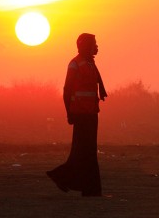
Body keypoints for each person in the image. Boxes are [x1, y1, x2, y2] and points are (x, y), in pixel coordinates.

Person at [47, 33, 107, 196]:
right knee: (84, 151)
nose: (96, 46)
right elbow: (66, 90)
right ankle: (85, 187)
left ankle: (88, 188)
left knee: (86, 151)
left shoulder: (89, 63)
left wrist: (102, 88)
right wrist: (69, 113)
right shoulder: (75, 64)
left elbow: (96, 76)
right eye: (93, 43)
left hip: (92, 113)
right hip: (80, 114)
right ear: (84, 45)